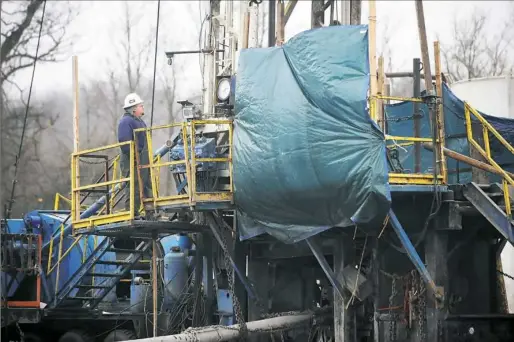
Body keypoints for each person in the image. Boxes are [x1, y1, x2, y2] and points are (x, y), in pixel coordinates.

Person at [117, 92, 152, 218]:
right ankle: (132, 213)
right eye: (140, 105)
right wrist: (134, 158)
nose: (142, 108)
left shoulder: (139, 122)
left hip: (143, 161)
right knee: (134, 186)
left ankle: (150, 212)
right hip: (132, 161)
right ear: (133, 108)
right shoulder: (126, 122)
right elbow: (125, 142)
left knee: (147, 185)